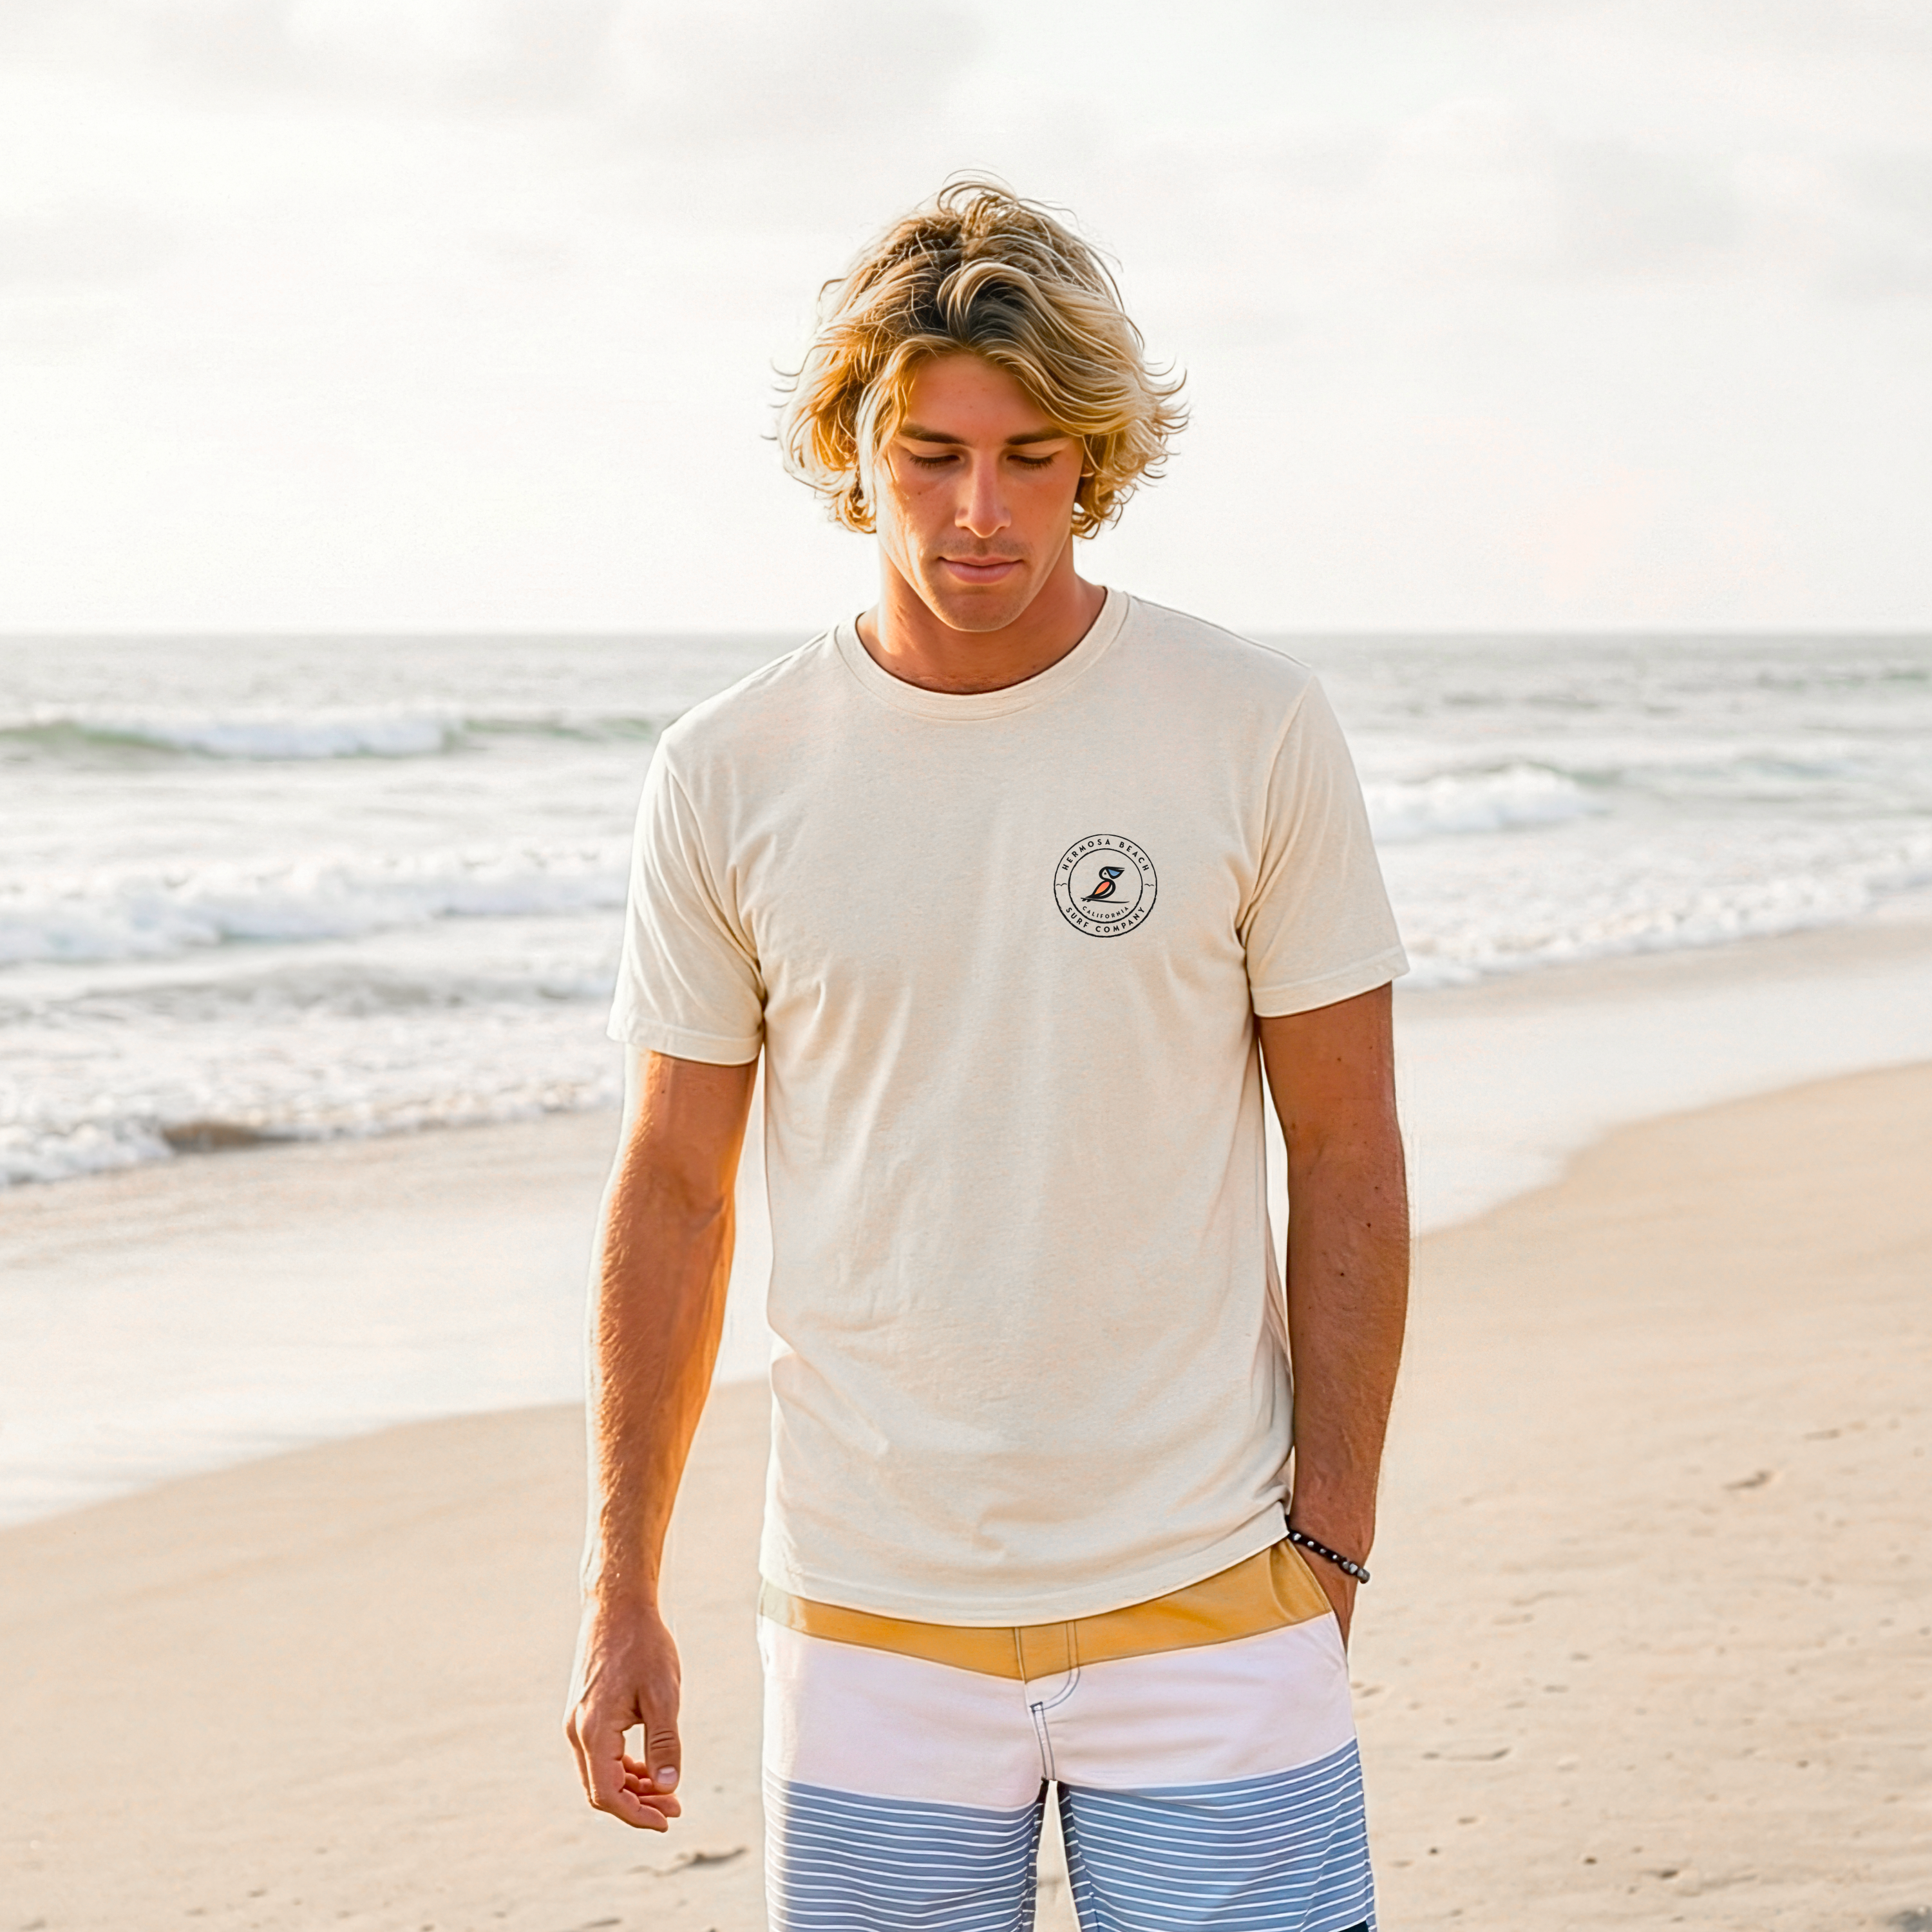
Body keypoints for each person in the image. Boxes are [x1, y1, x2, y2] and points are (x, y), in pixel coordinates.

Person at [565, 179, 1410, 1932]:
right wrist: (618, 1585)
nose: (979, 511)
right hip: (870, 1621)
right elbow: (674, 1187)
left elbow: (1345, 1147)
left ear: (1096, 458)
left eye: (1032, 458)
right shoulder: (730, 770)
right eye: (931, 454)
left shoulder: (1249, 725)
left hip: (1212, 1585)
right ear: (849, 450)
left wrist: (1333, 1535)